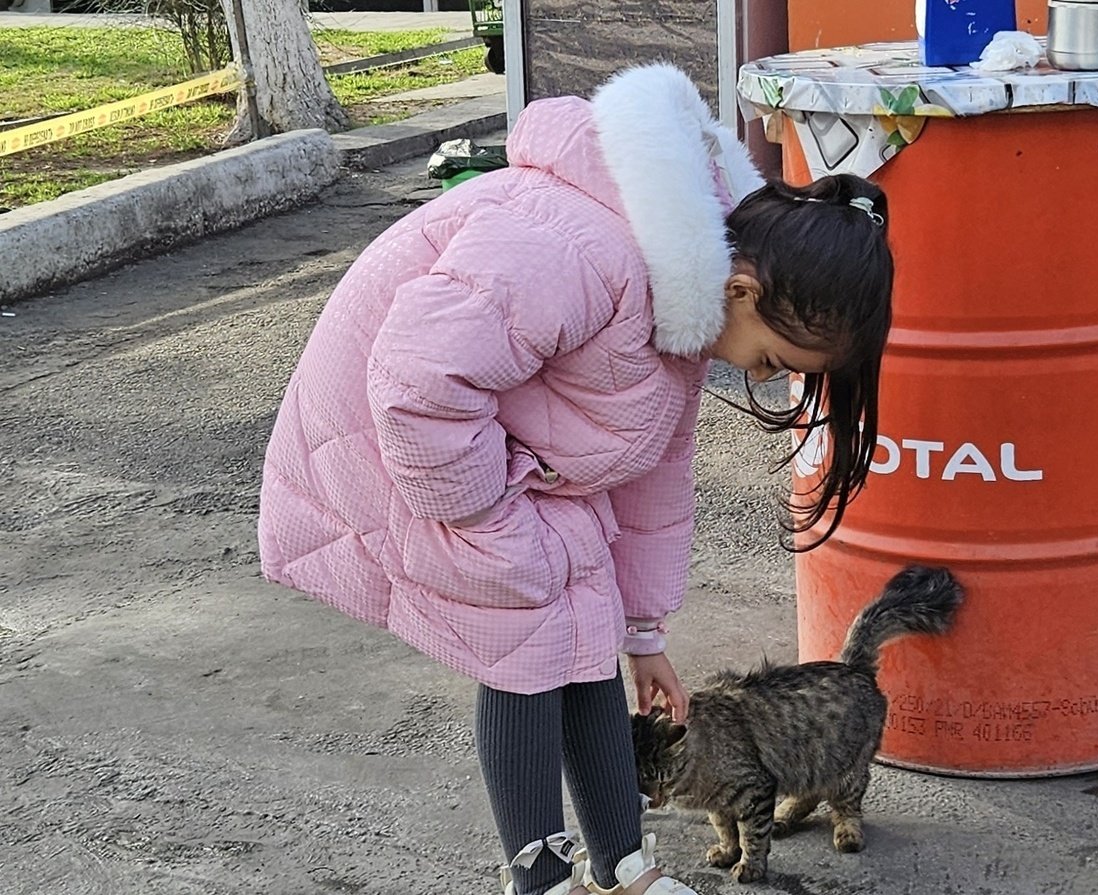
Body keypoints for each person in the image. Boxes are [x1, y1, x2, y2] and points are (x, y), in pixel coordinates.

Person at [257, 63, 894, 895]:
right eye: (777, 360)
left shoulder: (689, 301)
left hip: (511, 457)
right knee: (528, 639)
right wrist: (490, 523)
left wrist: (644, 631)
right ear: (744, 287)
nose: (771, 381)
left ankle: (622, 868)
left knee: (588, 624)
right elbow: (418, 383)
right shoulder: (582, 249)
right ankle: (540, 881)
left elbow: (653, 469)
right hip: (402, 447)